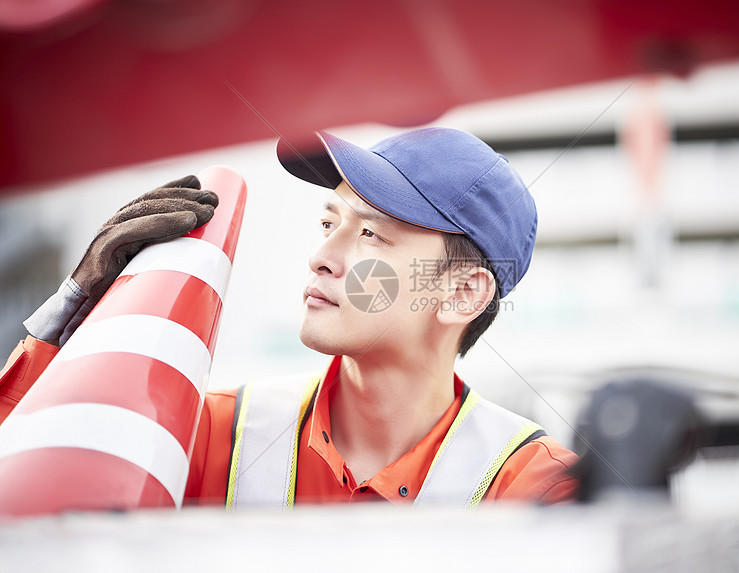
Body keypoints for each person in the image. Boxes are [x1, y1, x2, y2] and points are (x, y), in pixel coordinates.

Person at [0, 127, 578, 507]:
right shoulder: (202, 435)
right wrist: (70, 329)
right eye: (331, 224)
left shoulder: (540, 488)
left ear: (461, 294)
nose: (322, 258)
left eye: (372, 235)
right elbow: (26, 494)